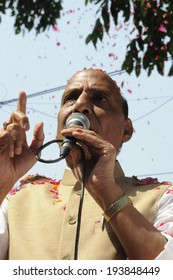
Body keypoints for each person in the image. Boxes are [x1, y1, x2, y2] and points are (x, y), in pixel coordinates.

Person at [0, 68, 173, 260]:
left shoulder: (162, 198)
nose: (80, 105)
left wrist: (107, 190)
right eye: (70, 98)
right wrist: (3, 180)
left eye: (100, 99)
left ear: (127, 130)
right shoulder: (15, 201)